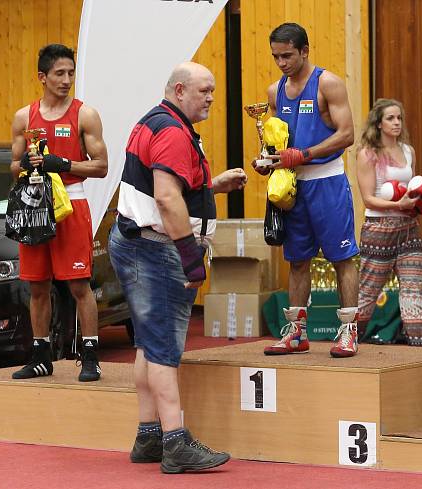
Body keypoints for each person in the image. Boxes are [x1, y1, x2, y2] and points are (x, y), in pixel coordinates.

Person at [109, 62, 246, 473]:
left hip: (136, 243)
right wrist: (190, 257)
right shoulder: (171, 131)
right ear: (180, 89)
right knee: (165, 347)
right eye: (204, 90)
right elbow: (167, 200)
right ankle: (176, 443)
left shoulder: (157, 121)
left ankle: (149, 436)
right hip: (155, 249)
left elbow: (164, 187)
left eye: (213, 91)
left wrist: (211, 185)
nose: (210, 98)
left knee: (148, 345)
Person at [253, 22, 359, 358]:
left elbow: (347, 134)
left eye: (287, 55)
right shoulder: (275, 92)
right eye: (275, 57)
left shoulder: (327, 83)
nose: (281, 62)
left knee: (342, 257)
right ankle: (296, 332)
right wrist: (267, 161)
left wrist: (307, 154)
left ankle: (348, 332)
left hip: (327, 180)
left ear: (305, 51)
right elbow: (276, 139)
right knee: (297, 260)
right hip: (293, 186)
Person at [10, 44, 108, 382]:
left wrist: (64, 163)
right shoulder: (25, 117)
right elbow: (12, 164)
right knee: (37, 286)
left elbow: (102, 166)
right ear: (42, 77)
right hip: (36, 205)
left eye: (71, 73)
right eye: (59, 74)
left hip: (72, 202)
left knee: (79, 285)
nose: (67, 80)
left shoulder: (85, 114)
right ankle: (40, 356)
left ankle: (91, 356)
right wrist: (24, 164)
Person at [355, 99, 422, 345]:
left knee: (412, 293)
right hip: (379, 230)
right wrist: (398, 205)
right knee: (367, 295)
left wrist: (419, 200)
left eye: (399, 117)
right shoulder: (367, 154)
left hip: (409, 228)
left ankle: (420, 351)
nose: (397, 122)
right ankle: (349, 342)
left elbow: (411, 189)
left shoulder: (409, 151)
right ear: (378, 123)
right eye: (390, 118)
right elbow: (368, 199)